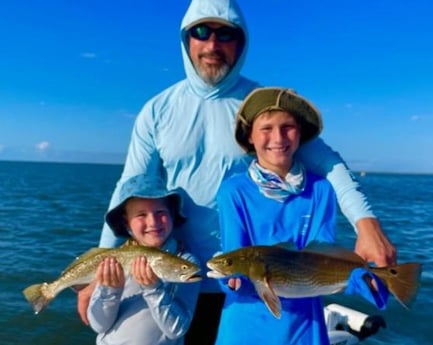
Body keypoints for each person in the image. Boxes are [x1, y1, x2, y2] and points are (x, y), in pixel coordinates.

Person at [78, 0, 396, 343]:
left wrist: (367, 225)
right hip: (175, 275)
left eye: (226, 34)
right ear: (186, 40)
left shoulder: (261, 109)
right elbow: (129, 190)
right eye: (200, 32)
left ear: (241, 43)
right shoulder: (156, 111)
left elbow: (328, 163)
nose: (212, 45)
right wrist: (98, 270)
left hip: (246, 278)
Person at [213, 87, 387, 345]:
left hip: (306, 327)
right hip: (244, 326)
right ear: (249, 135)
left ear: (300, 134)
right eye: (266, 128)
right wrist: (230, 281)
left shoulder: (321, 189)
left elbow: (322, 253)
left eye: (288, 127)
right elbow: (234, 256)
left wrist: (353, 279)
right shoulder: (233, 191)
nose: (278, 137)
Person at [87, 174, 201, 345]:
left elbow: (176, 330)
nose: (153, 222)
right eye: (141, 214)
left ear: (172, 215)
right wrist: (110, 290)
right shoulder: (114, 261)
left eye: (160, 212)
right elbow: (99, 325)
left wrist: (154, 288)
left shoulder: (185, 262)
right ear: (127, 223)